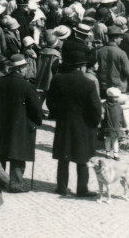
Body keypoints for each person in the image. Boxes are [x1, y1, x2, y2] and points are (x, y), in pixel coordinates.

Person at [46, 48, 101, 197]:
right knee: (83, 158)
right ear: (81, 66)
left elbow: (50, 102)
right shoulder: (88, 83)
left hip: (64, 123)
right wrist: (94, 123)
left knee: (63, 157)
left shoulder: (57, 79)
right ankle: (82, 189)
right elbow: (96, 107)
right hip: (84, 125)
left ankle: (62, 187)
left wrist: (58, 114)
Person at [0, 54, 42, 192]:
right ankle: (15, 184)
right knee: (18, 153)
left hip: (0, 124)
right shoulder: (28, 86)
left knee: (0, 152)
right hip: (20, 125)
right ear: (21, 69)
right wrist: (37, 121)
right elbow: (36, 109)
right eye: (26, 67)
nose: (27, 70)